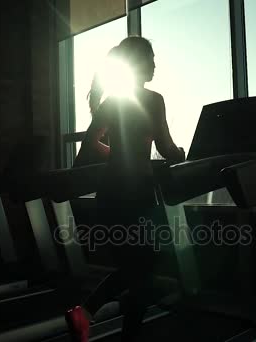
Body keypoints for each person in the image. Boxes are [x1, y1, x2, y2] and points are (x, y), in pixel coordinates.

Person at [65, 36, 185, 342]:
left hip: (110, 196)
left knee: (135, 271)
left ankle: (87, 314)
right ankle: (91, 313)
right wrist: (182, 154)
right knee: (143, 272)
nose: (155, 65)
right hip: (137, 195)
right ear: (137, 64)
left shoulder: (112, 102)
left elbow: (90, 145)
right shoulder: (153, 100)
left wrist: (118, 154)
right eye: (150, 59)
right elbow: (167, 147)